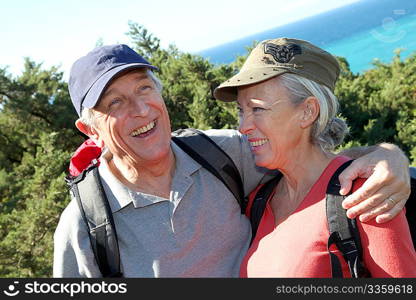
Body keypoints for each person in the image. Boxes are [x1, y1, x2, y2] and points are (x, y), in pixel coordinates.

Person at [53, 44, 410, 277]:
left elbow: (312, 160)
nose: (140, 109)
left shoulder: (224, 156)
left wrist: (387, 156)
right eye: (114, 103)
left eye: (144, 88)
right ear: (89, 129)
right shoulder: (84, 228)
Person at [213, 37, 416, 277]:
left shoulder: (363, 195)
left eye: (257, 108)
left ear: (308, 111)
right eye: (241, 110)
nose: (243, 126)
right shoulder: (259, 202)